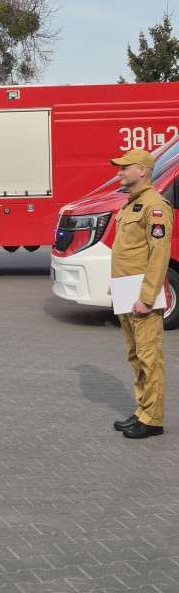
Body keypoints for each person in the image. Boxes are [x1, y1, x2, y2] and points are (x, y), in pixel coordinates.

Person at [110, 148, 173, 439]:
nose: (120, 171)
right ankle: (142, 410)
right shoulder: (131, 205)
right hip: (126, 295)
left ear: (142, 171)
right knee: (136, 356)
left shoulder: (155, 206)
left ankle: (153, 419)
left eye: (125, 167)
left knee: (150, 357)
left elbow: (158, 254)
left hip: (141, 299)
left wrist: (147, 298)